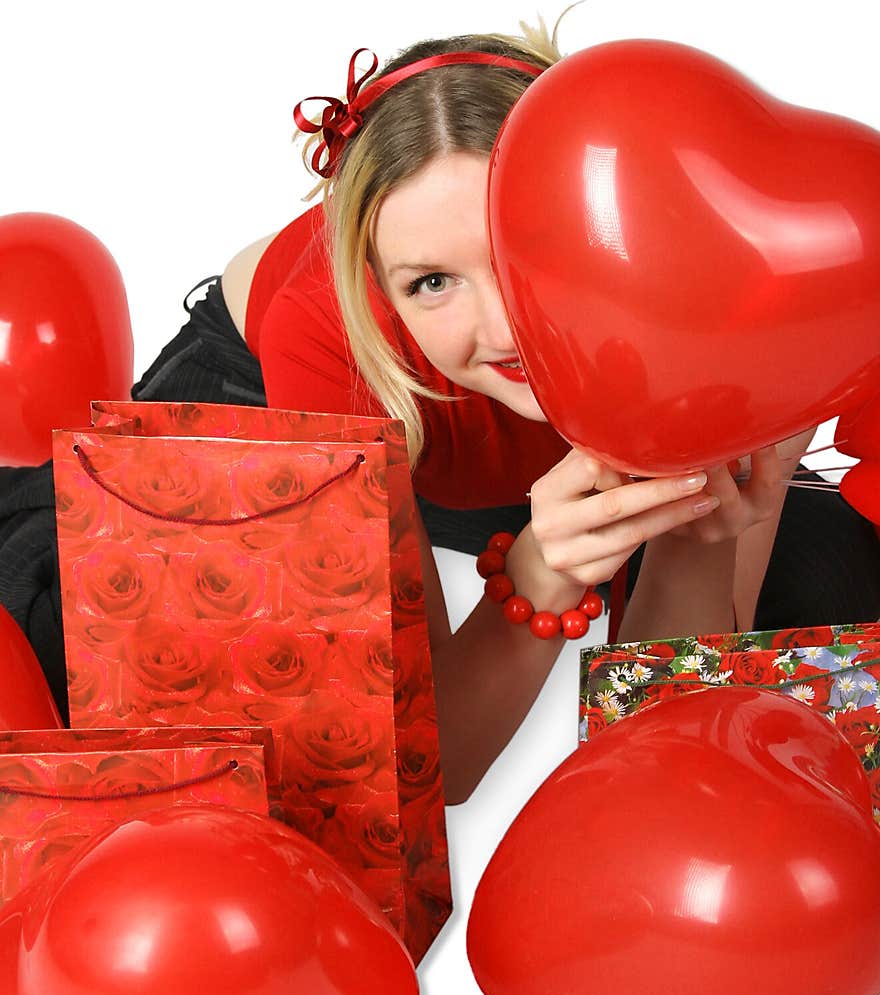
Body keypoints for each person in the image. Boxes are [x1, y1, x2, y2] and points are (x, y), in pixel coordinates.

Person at [4, 18, 880, 801]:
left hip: (509, 431)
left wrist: (698, 531)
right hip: (313, 384)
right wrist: (543, 569)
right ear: (382, 283)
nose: (502, 329)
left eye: (519, 252)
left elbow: (669, 707)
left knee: (830, 584)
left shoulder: (709, 300)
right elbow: (436, 764)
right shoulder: (328, 335)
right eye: (432, 281)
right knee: (82, 638)